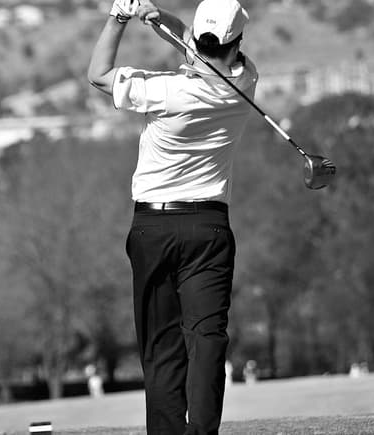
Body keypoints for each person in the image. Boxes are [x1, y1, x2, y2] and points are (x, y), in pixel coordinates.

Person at [87, 0, 257, 433]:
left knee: (162, 345)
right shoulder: (245, 80)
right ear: (237, 41)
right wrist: (159, 17)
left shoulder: (167, 91)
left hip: (154, 227)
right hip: (209, 228)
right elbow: (198, 48)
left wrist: (119, 17)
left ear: (199, 40)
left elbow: (98, 74)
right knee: (206, 339)